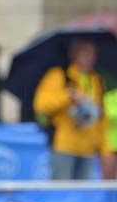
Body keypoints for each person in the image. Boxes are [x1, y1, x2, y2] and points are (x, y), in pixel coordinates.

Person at [34, 39, 114, 180]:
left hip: (88, 149)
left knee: (82, 195)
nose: (91, 58)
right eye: (86, 53)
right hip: (64, 146)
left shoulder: (96, 80)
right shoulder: (59, 76)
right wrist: (68, 97)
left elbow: (101, 116)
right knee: (61, 192)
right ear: (74, 55)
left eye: (93, 54)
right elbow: (41, 105)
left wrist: (104, 149)